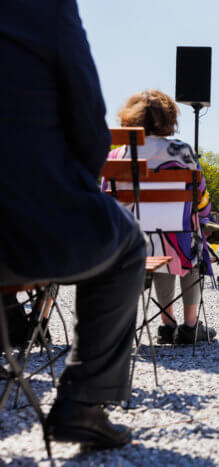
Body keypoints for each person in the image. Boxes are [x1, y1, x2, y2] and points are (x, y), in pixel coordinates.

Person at [0, 0, 145, 448]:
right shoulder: (41, 7)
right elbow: (87, 126)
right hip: (20, 229)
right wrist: (73, 190)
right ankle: (83, 403)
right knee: (127, 245)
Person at [108, 90, 219, 345]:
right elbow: (200, 197)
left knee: (160, 243)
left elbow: (106, 201)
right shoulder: (182, 152)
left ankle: (167, 325)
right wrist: (204, 220)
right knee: (187, 241)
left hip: (132, 244)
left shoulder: (117, 155)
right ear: (168, 119)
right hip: (178, 240)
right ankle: (190, 326)